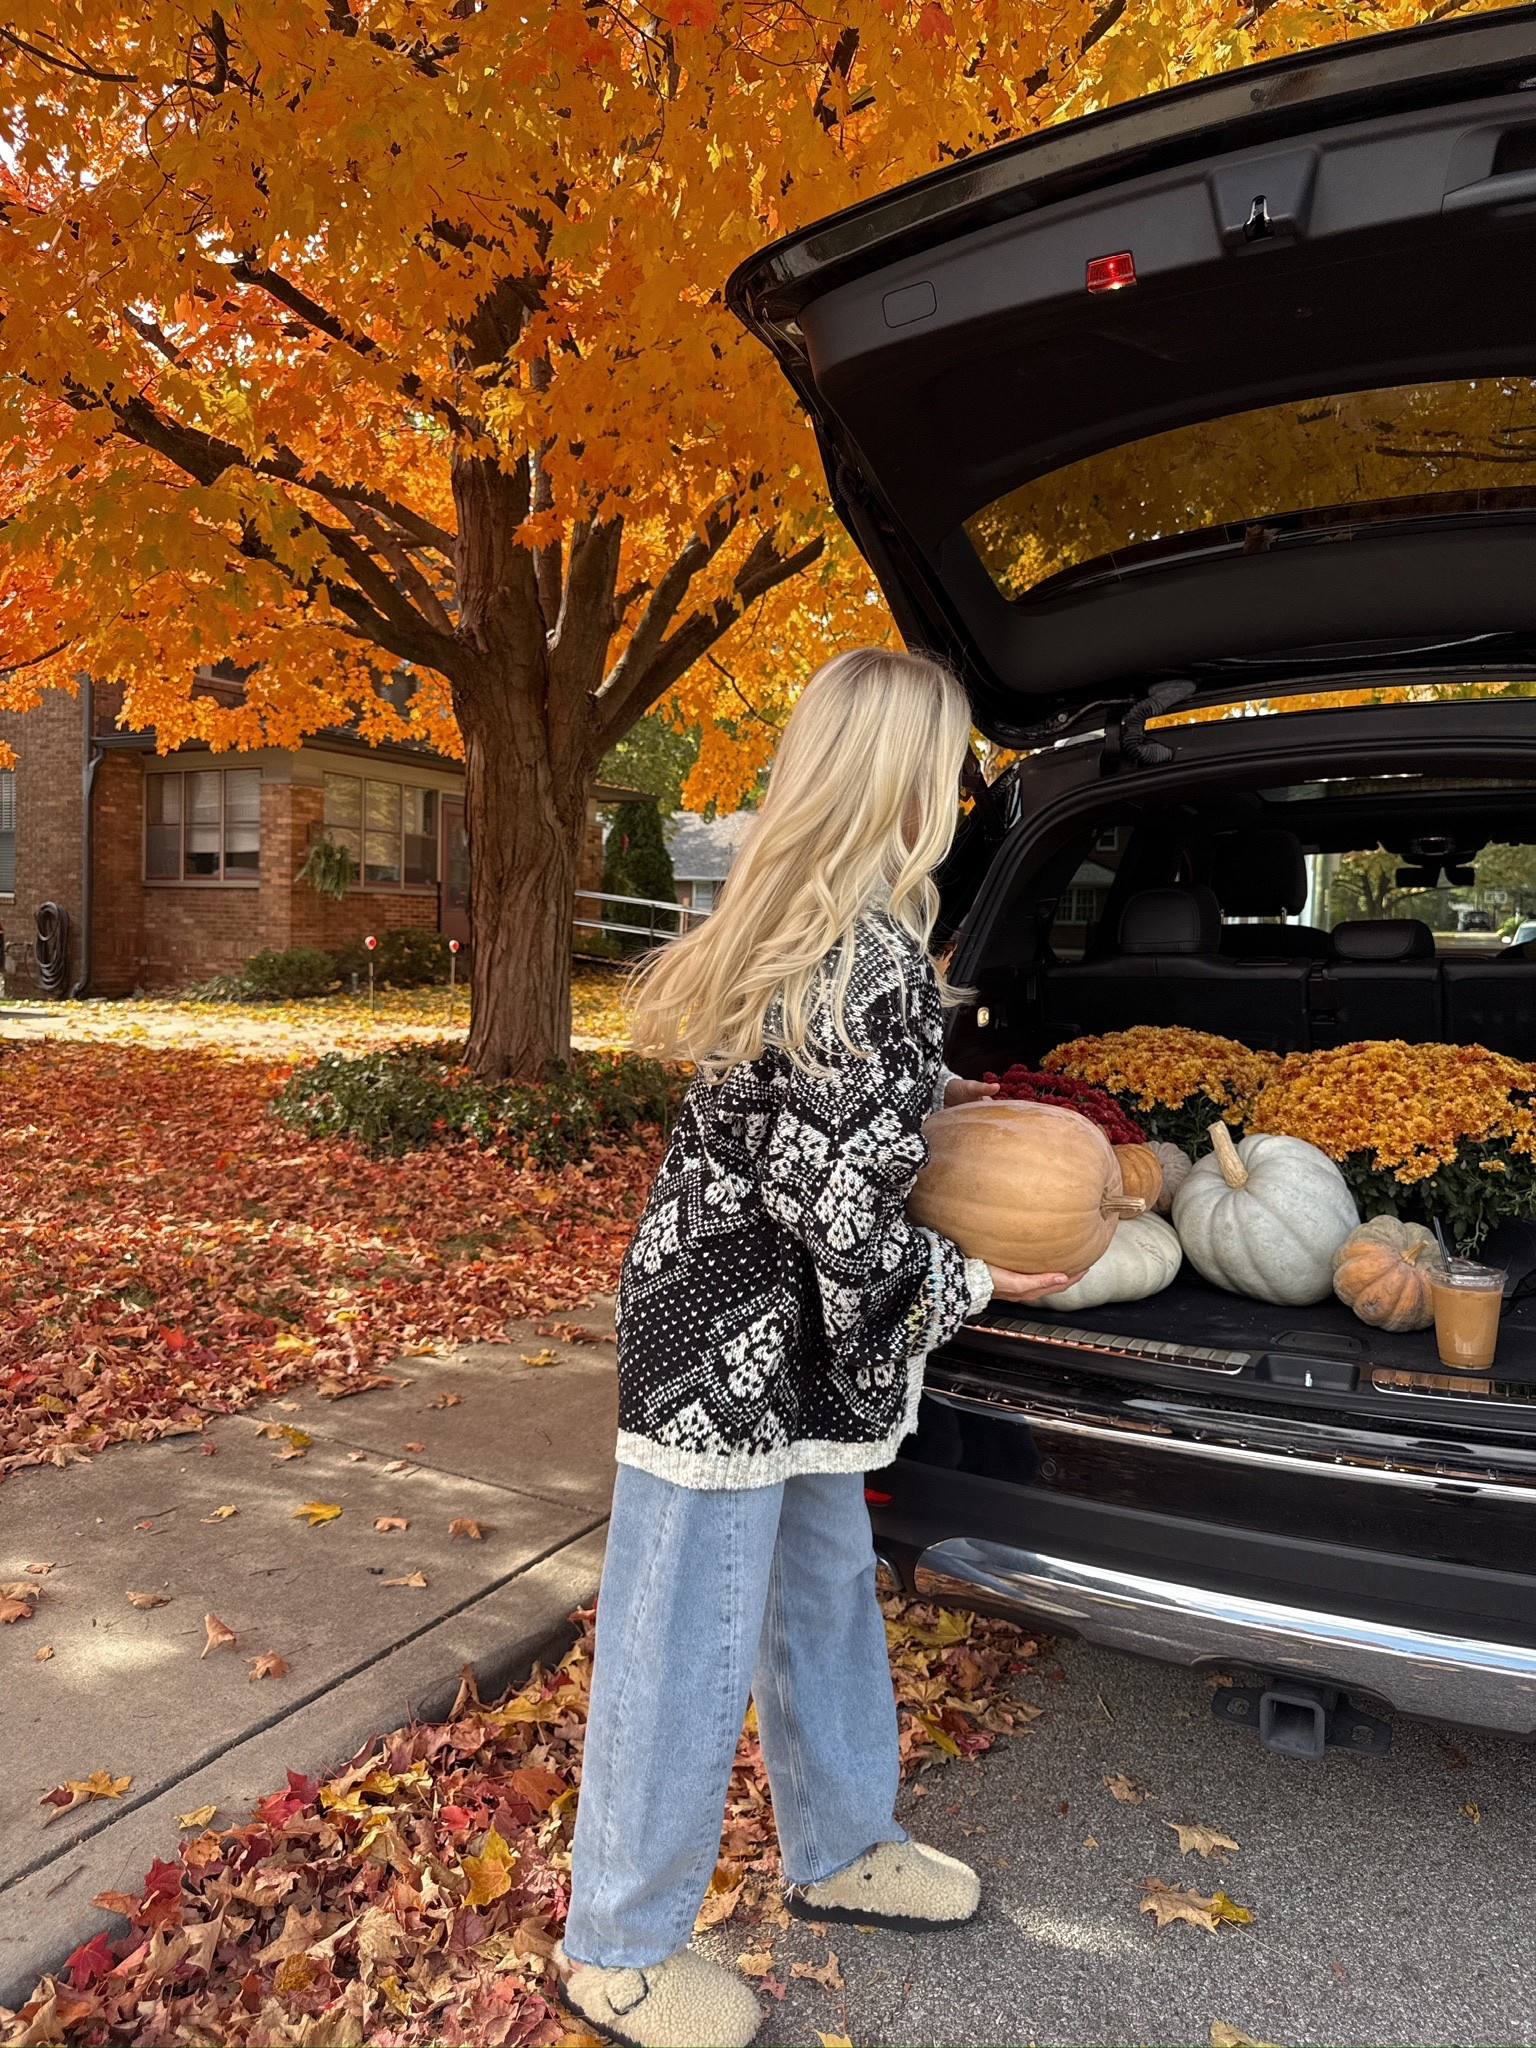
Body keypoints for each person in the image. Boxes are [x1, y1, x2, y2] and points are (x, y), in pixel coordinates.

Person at [554, 648, 1078, 2048]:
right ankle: (617, 1943)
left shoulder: (847, 940)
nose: (969, 794)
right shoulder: (862, 961)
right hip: (726, 1352)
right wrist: (978, 1271)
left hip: (770, 1342)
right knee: (686, 1633)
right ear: (905, 783)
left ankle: (842, 1844)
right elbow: (847, 1216)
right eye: (956, 766)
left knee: (823, 1591)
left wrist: (945, 1094)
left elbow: (829, 1125)